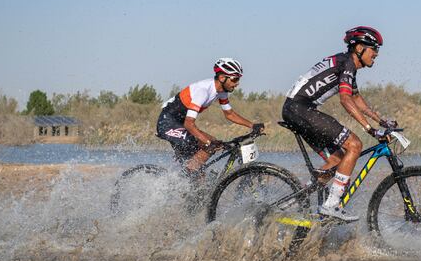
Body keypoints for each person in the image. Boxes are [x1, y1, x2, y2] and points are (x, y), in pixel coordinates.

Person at [282, 26, 395, 222]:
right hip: (300, 109)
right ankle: (331, 204)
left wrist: (381, 120)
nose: (376, 53)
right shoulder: (347, 64)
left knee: (336, 160)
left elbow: (356, 98)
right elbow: (345, 100)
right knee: (354, 144)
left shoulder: (346, 64)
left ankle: (289, 204)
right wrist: (370, 130)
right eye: (373, 48)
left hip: (296, 109)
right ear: (359, 47)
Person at [156, 58, 264, 175]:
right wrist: (207, 142)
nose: (237, 83)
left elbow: (229, 114)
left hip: (180, 124)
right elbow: (189, 124)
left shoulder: (221, 91)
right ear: (222, 78)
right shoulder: (203, 91)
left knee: (212, 143)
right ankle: (189, 177)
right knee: (209, 145)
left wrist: (252, 125)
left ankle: (194, 180)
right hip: (167, 123)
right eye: (235, 79)